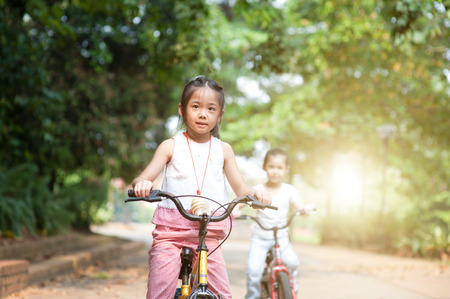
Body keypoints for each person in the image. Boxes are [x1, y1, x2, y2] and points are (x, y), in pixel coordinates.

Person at [131, 76, 272, 299]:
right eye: (195, 106)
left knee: (222, 294)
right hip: (171, 234)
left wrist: (257, 195)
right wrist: (143, 185)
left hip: (208, 235)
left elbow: (241, 188)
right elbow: (141, 179)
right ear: (182, 109)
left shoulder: (223, 150)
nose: (203, 114)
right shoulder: (171, 146)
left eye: (211, 108)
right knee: (159, 292)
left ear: (220, 115)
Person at [243, 148, 304, 299]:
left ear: (286, 169)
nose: (275, 171)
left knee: (293, 262)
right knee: (253, 271)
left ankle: (292, 288)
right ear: (265, 167)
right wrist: (236, 210)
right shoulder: (258, 189)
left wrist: (304, 210)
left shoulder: (289, 190)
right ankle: (253, 296)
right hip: (260, 238)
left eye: (279, 168)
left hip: (281, 236)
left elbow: (299, 206)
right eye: (271, 167)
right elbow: (241, 203)